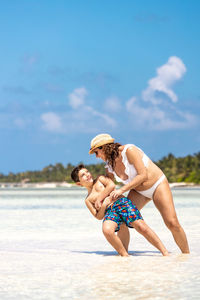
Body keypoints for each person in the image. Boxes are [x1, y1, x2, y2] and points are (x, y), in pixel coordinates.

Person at [89, 133, 190, 254]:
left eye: (96, 152)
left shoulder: (129, 150)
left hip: (156, 185)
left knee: (172, 223)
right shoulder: (109, 165)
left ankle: (186, 256)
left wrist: (121, 190)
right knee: (123, 219)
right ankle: (124, 256)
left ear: (103, 147)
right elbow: (108, 186)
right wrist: (97, 197)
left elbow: (143, 175)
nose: (96, 156)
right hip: (138, 191)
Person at [71, 164, 169, 257]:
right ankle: (124, 256)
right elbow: (98, 216)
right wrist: (104, 204)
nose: (87, 175)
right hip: (110, 211)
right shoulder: (88, 200)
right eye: (83, 175)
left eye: (87, 172)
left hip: (121, 203)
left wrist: (99, 199)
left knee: (141, 227)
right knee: (107, 230)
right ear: (79, 183)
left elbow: (111, 186)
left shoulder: (100, 179)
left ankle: (165, 252)